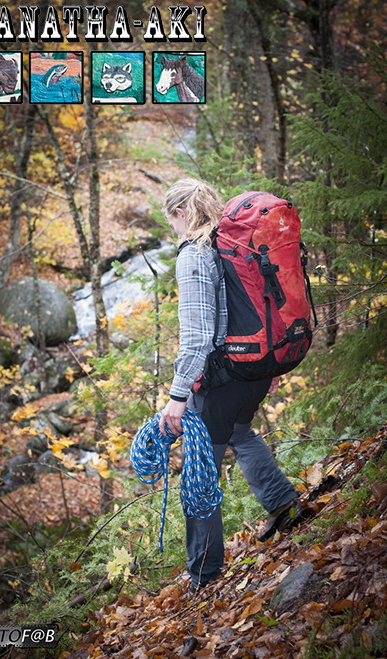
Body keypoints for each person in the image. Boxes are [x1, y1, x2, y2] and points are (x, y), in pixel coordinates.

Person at [158, 178, 301, 591]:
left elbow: (199, 336)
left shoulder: (195, 254)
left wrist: (177, 397)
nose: (173, 229)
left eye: (172, 220)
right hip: (254, 368)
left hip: (221, 379)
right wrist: (267, 366)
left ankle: (204, 574)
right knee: (240, 433)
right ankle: (282, 503)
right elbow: (263, 305)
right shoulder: (230, 243)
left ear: (181, 213)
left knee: (199, 472)